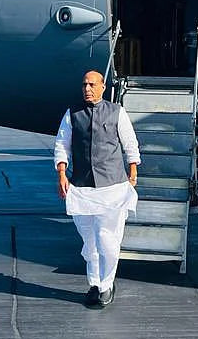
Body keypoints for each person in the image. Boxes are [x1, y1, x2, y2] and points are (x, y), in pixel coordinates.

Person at [54, 70, 140, 308]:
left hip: (112, 187)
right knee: (89, 241)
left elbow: (130, 143)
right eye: (84, 85)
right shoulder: (72, 114)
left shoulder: (116, 112)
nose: (87, 89)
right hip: (82, 189)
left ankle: (107, 284)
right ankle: (94, 283)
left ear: (103, 87)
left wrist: (133, 169)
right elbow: (62, 144)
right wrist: (62, 173)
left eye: (92, 84)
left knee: (106, 239)